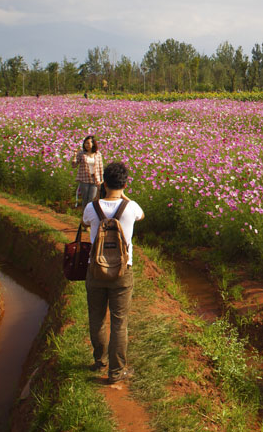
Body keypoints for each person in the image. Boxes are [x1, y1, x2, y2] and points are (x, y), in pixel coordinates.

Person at [82, 161, 144, 384]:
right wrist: (124, 196)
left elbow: (85, 223)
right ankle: (116, 373)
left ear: (104, 182)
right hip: (122, 272)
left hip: (95, 270)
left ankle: (100, 361)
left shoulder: (92, 207)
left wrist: (100, 195)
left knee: (97, 319)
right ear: (125, 183)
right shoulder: (132, 207)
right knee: (120, 322)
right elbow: (141, 216)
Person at [73, 135, 104, 209]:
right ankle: (84, 216)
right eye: (85, 143)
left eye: (88, 143)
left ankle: (89, 216)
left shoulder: (98, 154)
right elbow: (74, 165)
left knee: (92, 199)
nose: (86, 145)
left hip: (95, 179)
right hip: (84, 178)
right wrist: (74, 156)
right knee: (85, 199)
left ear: (93, 144)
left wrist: (101, 179)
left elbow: (100, 167)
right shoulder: (81, 154)